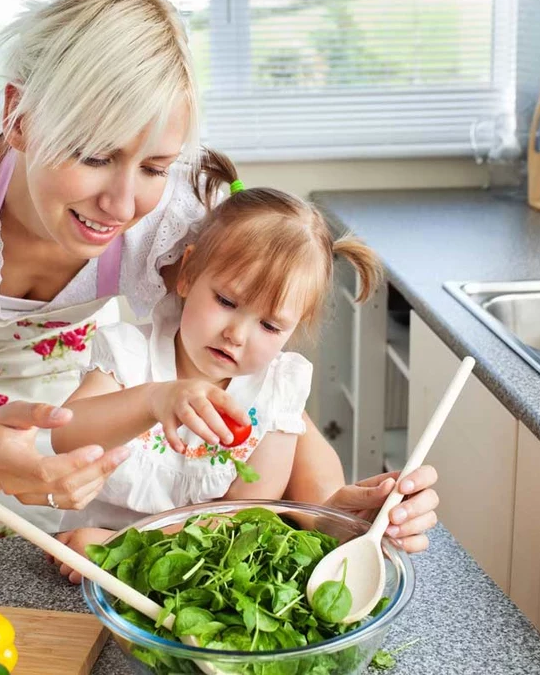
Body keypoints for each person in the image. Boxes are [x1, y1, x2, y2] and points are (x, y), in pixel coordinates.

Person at [0, 0, 438, 548]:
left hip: (98, 440)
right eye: (93, 156)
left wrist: (334, 509)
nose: (123, 205)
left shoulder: (174, 212)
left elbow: (257, 392)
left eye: (155, 167)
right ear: (19, 117)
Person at [50, 148, 382, 551]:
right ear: (188, 274)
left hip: (187, 571)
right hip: (76, 563)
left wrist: (119, 546)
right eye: (226, 302)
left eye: (269, 325)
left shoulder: (274, 394)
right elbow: (66, 437)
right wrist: (153, 400)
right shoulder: (129, 355)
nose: (237, 335)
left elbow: (245, 515)